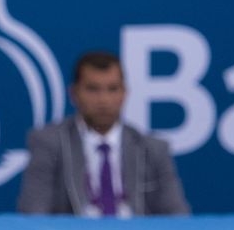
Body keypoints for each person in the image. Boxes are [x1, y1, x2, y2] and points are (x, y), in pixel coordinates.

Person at [16, 51, 190, 217]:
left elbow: (177, 217)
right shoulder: (49, 143)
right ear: (74, 93)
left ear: (124, 93)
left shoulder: (153, 148)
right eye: (93, 89)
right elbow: (34, 214)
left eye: (112, 89)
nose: (103, 100)